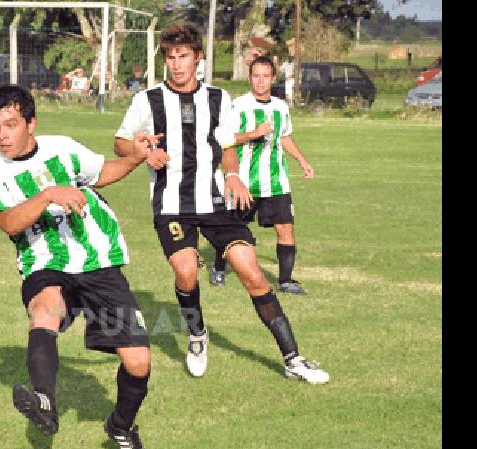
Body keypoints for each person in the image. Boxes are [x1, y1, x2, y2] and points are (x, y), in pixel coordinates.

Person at [112, 20, 329, 384]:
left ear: (197, 58)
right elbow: (120, 142)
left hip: (214, 203)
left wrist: (231, 174)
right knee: (185, 270)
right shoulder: (146, 100)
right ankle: (197, 334)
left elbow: (226, 147)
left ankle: (293, 358)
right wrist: (141, 151)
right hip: (171, 205)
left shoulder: (218, 99)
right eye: (170, 56)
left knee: (251, 270)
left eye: (183, 56)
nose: (176, 63)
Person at [0, 85, 161, 449]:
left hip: (97, 261)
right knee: (45, 311)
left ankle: (121, 427)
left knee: (139, 362)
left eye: (10, 125)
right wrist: (47, 195)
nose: (2, 134)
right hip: (45, 263)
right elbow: (10, 223)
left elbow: (102, 173)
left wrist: (137, 158)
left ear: (31, 124)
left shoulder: (63, 147)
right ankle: (44, 399)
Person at [209, 56, 315, 295]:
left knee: (286, 228)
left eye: (265, 76)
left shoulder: (280, 107)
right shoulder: (239, 106)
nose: (260, 81)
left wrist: (302, 160)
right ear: (249, 78)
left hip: (276, 182)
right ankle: (218, 268)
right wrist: (253, 133)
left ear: (272, 78)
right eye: (256, 76)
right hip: (245, 181)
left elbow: (284, 136)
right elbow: (226, 139)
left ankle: (285, 281)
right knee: (231, 228)